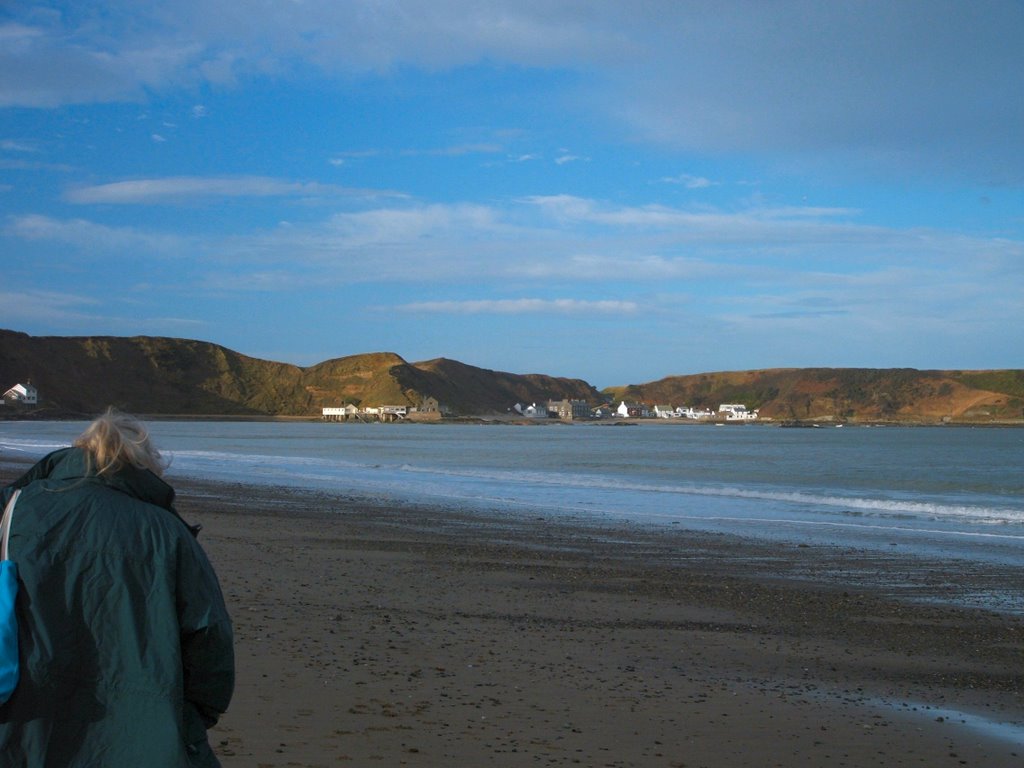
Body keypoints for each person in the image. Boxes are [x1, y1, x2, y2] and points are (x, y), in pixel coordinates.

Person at [0, 408, 234, 767]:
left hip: (22, 724)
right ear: (143, 464)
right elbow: (208, 634)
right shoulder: (166, 531)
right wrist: (194, 715)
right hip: (145, 729)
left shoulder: (14, 509)